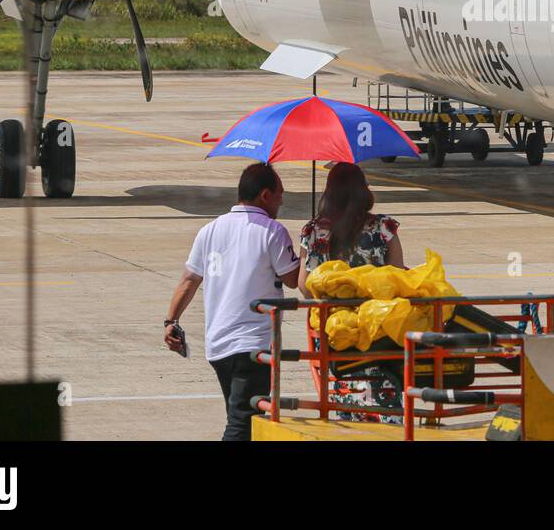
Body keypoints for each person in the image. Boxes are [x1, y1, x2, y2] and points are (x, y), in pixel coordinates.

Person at [164, 162, 300, 441]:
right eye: (280, 193)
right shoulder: (272, 231)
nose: (282, 200)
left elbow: (189, 280)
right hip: (253, 346)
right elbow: (293, 279)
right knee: (242, 424)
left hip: (219, 347)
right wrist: (310, 246)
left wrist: (171, 320)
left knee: (241, 418)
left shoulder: (209, 230)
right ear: (265, 195)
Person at [298, 162, 405, 421]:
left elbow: (304, 285)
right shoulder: (384, 228)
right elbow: (397, 277)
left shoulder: (313, 231)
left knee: (343, 391)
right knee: (385, 389)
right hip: (377, 331)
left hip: (337, 332)